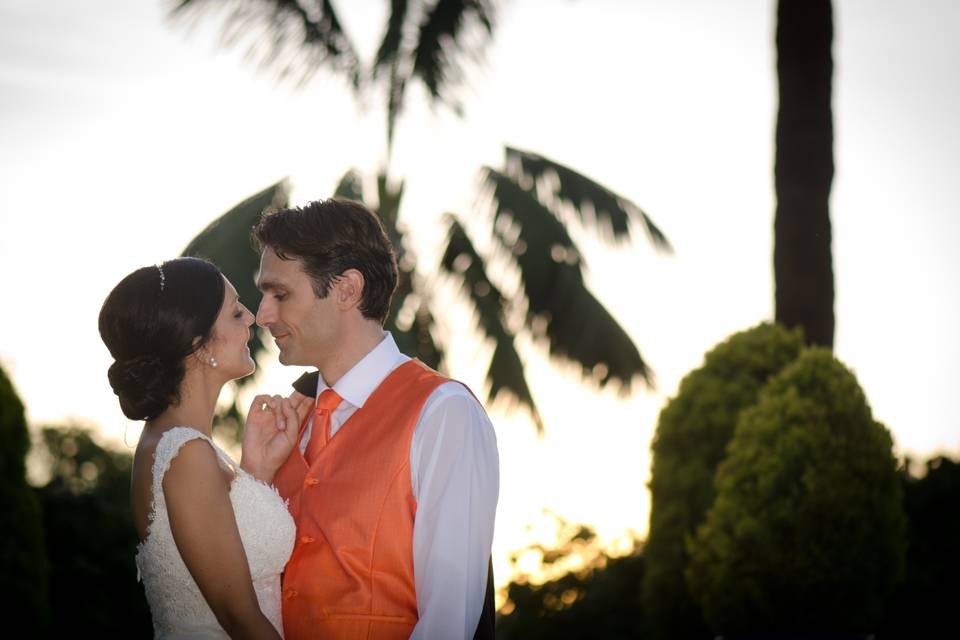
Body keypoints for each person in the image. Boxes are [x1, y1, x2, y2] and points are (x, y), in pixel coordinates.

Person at [240, 199, 499, 639]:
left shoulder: (442, 412)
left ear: (347, 289)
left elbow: (449, 621)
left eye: (280, 294)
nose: (262, 315)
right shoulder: (284, 427)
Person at [99, 256, 309, 639]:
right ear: (198, 346)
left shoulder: (179, 445)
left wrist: (257, 468)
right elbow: (239, 618)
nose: (252, 318)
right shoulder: (185, 453)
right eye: (234, 313)